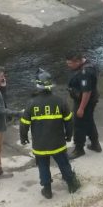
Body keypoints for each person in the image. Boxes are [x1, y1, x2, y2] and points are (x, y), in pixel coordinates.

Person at [19, 69, 81, 199]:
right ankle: (72, 185)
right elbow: (69, 121)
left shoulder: (31, 103)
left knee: (43, 166)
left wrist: (23, 137)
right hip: (57, 142)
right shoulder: (60, 101)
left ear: (37, 85)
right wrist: (69, 135)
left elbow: (24, 123)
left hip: (40, 145)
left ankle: (47, 190)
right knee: (64, 163)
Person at [66, 51, 101, 159]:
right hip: (90, 99)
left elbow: (87, 92)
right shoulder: (88, 63)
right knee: (89, 121)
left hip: (85, 102)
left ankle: (79, 149)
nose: (68, 66)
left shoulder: (84, 73)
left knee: (78, 125)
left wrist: (81, 108)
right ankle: (95, 144)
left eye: (70, 63)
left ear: (77, 61)